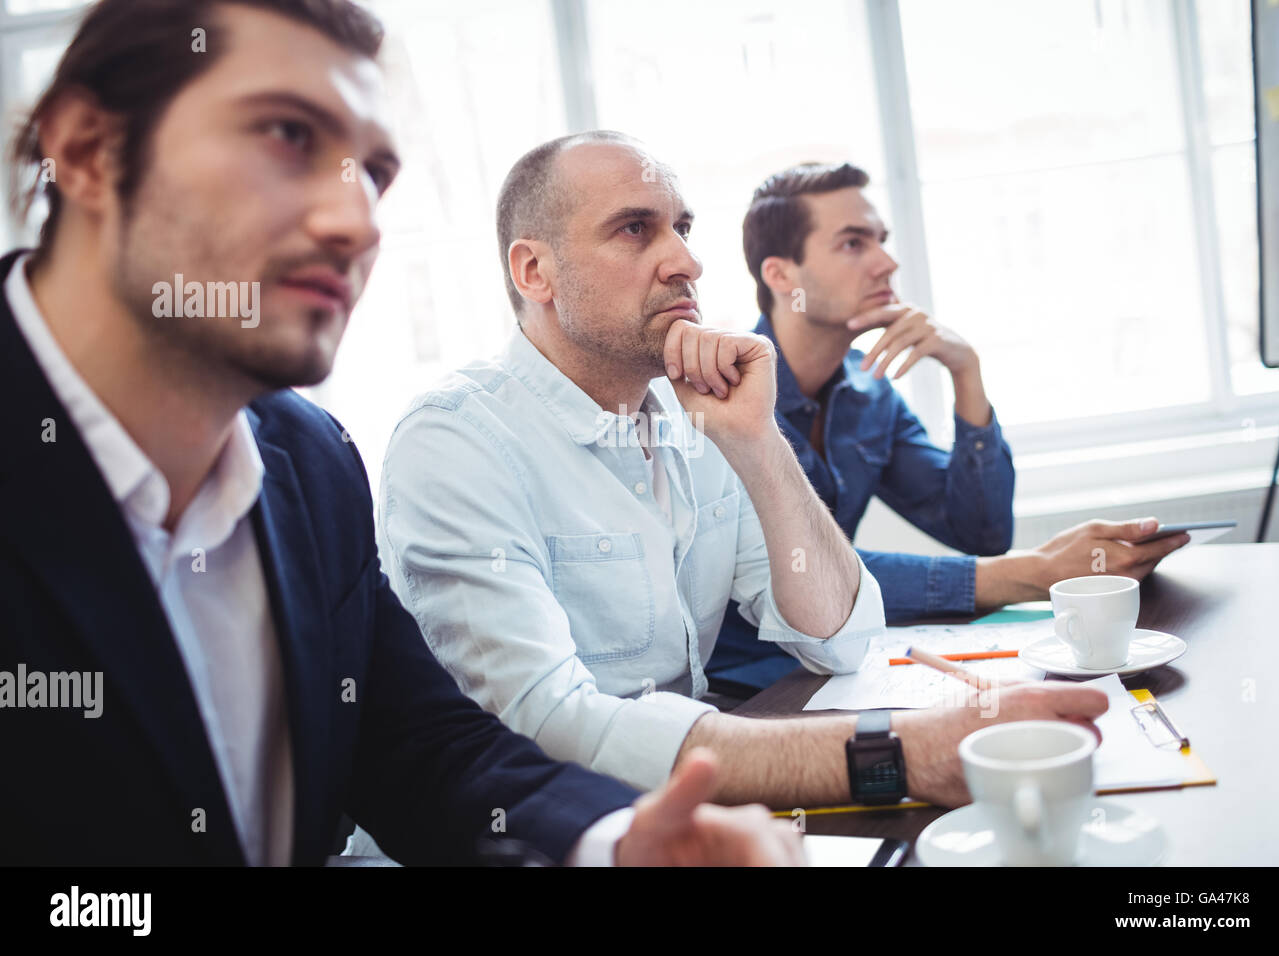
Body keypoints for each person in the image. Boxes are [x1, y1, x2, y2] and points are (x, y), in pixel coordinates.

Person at [0, 0, 807, 867]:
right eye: (284, 135)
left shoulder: (309, 461)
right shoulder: (450, 436)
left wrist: (614, 844)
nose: (357, 223)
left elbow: (421, 751)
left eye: (374, 175)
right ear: (86, 150)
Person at [367, 131, 1109, 824]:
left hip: (689, 810)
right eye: (635, 229)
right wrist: (898, 753)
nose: (686, 261)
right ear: (536, 272)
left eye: (682, 228)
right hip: (549, 833)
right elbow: (545, 729)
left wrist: (758, 444)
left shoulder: (696, 416)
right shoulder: (457, 441)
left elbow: (842, 638)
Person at [706, 162, 1191, 693]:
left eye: (882, 241)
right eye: (852, 244)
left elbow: (979, 532)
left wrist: (967, 371)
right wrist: (1030, 571)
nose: (886, 263)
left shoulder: (869, 393)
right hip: (749, 689)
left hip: (848, 669)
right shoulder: (730, 402)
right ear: (781, 276)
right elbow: (809, 568)